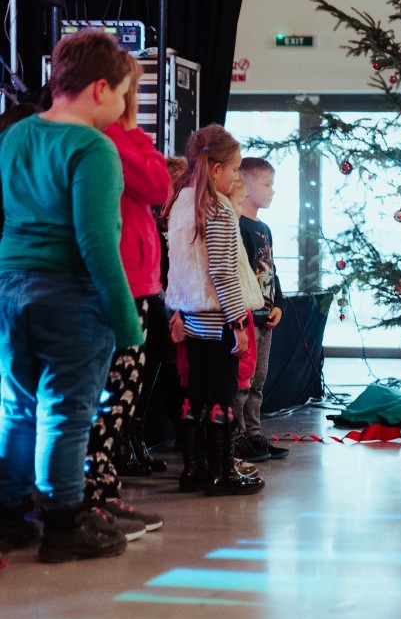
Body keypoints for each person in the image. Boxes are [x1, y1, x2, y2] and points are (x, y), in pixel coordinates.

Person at [0, 30, 139, 562]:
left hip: (10, 288)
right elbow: (97, 240)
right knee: (66, 411)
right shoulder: (93, 148)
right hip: (69, 295)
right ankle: (63, 524)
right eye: (123, 93)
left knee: (17, 408)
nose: (123, 106)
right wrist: (126, 321)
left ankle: (9, 517)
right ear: (100, 88)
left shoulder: (16, 135)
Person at [80, 52, 172, 537]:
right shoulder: (110, 141)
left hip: (133, 281)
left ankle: (104, 489)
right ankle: (91, 497)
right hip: (120, 283)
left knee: (119, 398)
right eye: (127, 91)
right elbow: (158, 185)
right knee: (111, 397)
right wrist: (133, 129)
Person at [163, 124, 265, 495]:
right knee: (223, 394)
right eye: (235, 168)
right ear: (217, 168)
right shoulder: (217, 207)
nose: (237, 176)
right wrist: (238, 322)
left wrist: (177, 311)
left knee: (195, 392)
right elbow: (221, 271)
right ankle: (222, 472)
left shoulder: (181, 202)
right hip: (218, 319)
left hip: (191, 317)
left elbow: (180, 266)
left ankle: (194, 469)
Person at [231, 157, 289, 463]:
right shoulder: (237, 225)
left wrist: (278, 303)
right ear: (247, 187)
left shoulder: (264, 228)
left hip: (265, 317)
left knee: (259, 380)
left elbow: (270, 270)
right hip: (246, 317)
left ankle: (254, 435)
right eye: (267, 184)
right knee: (243, 379)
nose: (273, 191)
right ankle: (236, 437)